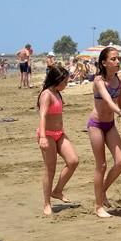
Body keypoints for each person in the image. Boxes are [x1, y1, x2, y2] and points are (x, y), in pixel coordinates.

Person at [87, 47, 121, 218]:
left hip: (110, 125)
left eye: (118, 59)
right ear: (104, 63)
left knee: (120, 162)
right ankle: (98, 206)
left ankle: (102, 191)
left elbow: (120, 100)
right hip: (96, 125)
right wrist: (119, 112)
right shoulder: (98, 81)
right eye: (113, 59)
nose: (117, 61)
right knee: (101, 165)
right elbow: (108, 100)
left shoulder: (119, 80)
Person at [37, 65, 79, 215]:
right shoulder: (46, 95)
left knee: (73, 161)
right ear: (57, 80)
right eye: (65, 82)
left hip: (59, 133)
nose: (66, 85)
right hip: (47, 134)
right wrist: (42, 136)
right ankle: (46, 203)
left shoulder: (57, 93)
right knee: (50, 169)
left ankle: (58, 190)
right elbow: (42, 115)